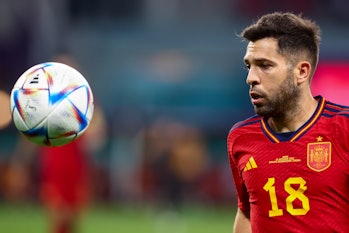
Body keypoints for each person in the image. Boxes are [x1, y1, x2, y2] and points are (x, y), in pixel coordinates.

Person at [227, 12, 349, 232]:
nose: (251, 78)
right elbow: (246, 212)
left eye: (264, 65)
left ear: (301, 71)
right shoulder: (241, 137)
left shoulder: (344, 129)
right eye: (249, 66)